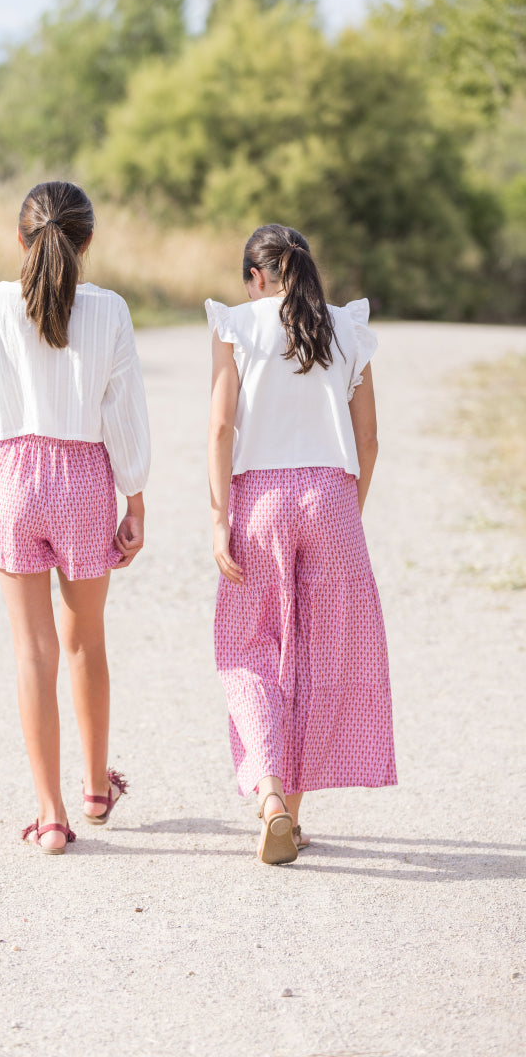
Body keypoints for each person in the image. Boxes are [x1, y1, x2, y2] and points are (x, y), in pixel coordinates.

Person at [0, 181, 150, 855]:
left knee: (32, 651)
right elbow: (122, 410)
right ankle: (95, 789)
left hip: (12, 483)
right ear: (86, 241)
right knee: (86, 637)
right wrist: (136, 494)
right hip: (85, 482)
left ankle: (51, 814)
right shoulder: (110, 309)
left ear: (20, 237)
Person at [206, 223, 396, 865]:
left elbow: (221, 427)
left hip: (259, 499)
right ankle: (297, 815)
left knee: (249, 643)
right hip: (331, 498)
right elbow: (368, 441)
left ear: (255, 277)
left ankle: (271, 799)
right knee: (319, 652)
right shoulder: (349, 327)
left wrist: (217, 515)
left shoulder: (237, 324)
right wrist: (351, 510)